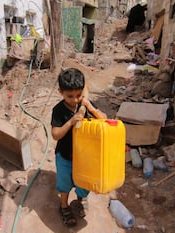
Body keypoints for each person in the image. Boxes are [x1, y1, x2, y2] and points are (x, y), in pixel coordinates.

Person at [51, 68, 107, 226]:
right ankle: (63, 205)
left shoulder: (85, 104)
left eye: (79, 95)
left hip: (85, 157)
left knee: (84, 183)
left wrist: (90, 107)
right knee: (65, 184)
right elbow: (55, 134)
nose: (75, 100)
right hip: (65, 156)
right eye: (70, 96)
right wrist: (70, 122)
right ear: (60, 92)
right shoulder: (59, 110)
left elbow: (105, 119)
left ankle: (81, 199)